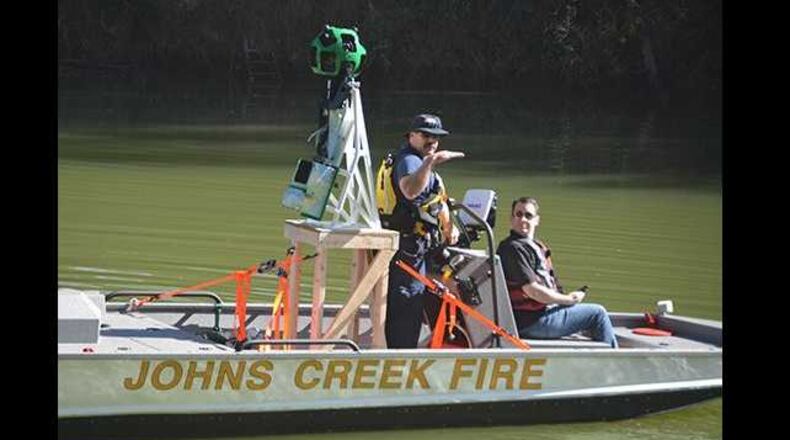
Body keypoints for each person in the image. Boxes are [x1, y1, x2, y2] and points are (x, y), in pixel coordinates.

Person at [384, 114, 465, 348]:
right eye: (426, 135)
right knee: (407, 304)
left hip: (415, 247)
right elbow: (409, 190)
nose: (432, 141)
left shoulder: (416, 159)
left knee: (413, 301)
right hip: (408, 247)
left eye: (436, 137)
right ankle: (401, 361)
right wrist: (431, 162)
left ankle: (415, 349)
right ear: (411, 136)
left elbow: (433, 201)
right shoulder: (410, 161)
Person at [496, 197, 618, 348]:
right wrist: (568, 300)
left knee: (587, 314)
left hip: (542, 314)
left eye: (528, 215)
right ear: (511, 218)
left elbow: (550, 285)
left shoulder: (535, 246)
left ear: (537, 220)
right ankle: (611, 363)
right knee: (597, 314)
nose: (523, 219)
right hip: (532, 321)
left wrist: (567, 297)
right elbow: (532, 291)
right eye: (518, 214)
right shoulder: (513, 248)